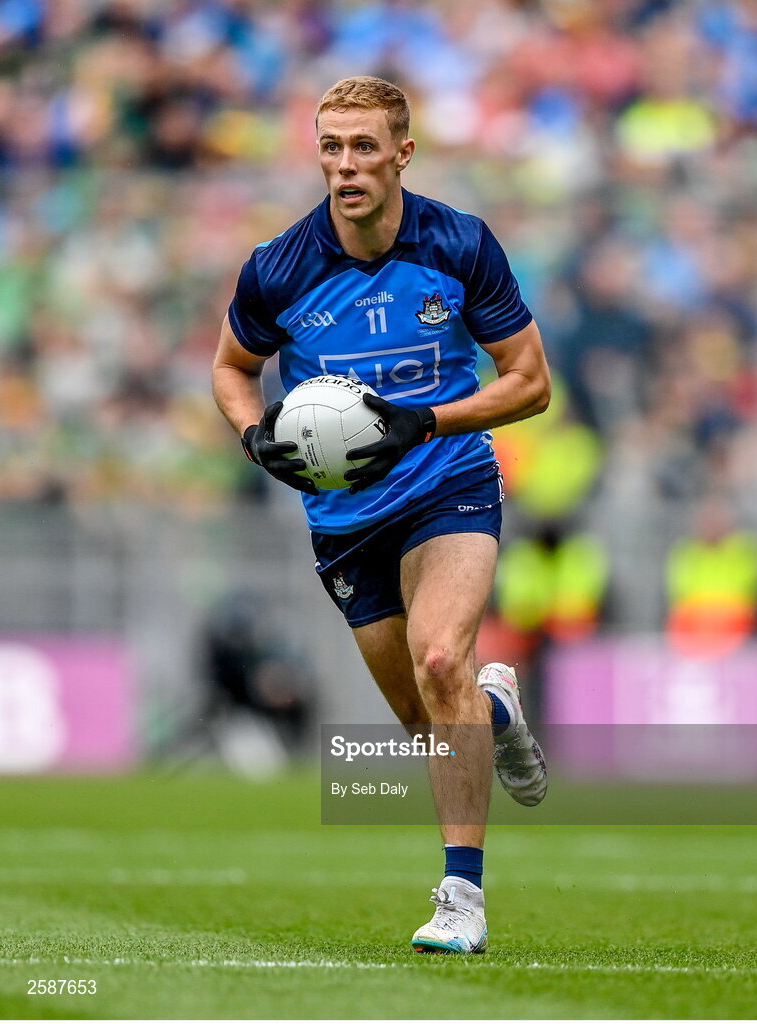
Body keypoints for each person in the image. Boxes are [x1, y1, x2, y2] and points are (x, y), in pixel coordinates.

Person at [213, 76, 550, 954]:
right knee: (428, 724)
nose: (346, 165)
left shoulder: (461, 244)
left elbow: (530, 382)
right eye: (331, 147)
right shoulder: (278, 267)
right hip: (345, 516)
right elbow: (230, 368)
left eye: (364, 147)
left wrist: (426, 420)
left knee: (440, 657)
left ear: (403, 153)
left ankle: (461, 901)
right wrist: (255, 440)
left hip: (450, 480)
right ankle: (496, 711)